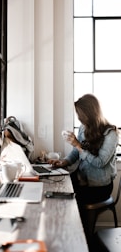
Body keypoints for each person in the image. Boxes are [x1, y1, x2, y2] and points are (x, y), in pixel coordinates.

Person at [48, 94, 119, 247]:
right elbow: (75, 153)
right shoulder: (83, 128)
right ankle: (65, 238)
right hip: (83, 181)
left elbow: (99, 162)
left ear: (90, 113)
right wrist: (63, 162)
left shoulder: (111, 134)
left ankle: (81, 241)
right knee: (57, 193)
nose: (79, 119)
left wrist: (78, 145)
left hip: (100, 187)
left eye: (81, 115)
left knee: (70, 203)